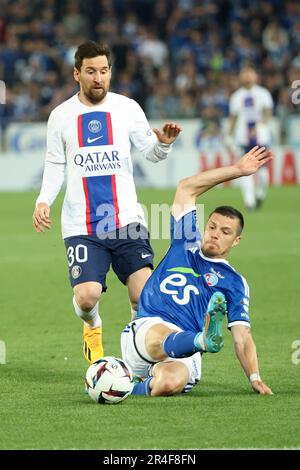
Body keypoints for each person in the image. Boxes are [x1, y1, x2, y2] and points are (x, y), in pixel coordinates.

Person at [32, 41, 181, 364]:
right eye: (90, 72)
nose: (98, 78)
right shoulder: (61, 116)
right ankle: (92, 326)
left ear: (110, 72)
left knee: (143, 295)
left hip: (126, 218)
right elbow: (56, 164)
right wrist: (44, 200)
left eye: (103, 71)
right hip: (81, 223)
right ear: (76, 74)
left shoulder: (127, 108)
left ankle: (135, 351)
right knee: (87, 298)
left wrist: (164, 145)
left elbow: (151, 153)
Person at [121, 145, 273, 397]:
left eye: (225, 232)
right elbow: (186, 188)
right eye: (212, 226)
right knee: (161, 335)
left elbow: (241, 336)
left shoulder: (235, 282)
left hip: (184, 353)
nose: (215, 233)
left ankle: (121, 387)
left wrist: (254, 377)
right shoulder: (185, 242)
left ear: (236, 241)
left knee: (169, 384)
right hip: (147, 329)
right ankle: (202, 341)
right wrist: (237, 170)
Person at [227, 67, 274, 210]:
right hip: (243, 139)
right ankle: (249, 202)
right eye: (244, 74)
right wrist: (229, 135)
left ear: (255, 76)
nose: (247, 77)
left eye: (250, 74)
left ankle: (260, 194)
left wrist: (260, 126)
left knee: (263, 171)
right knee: (244, 169)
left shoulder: (263, 93)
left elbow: (268, 113)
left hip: (261, 138)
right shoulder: (236, 96)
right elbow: (233, 118)